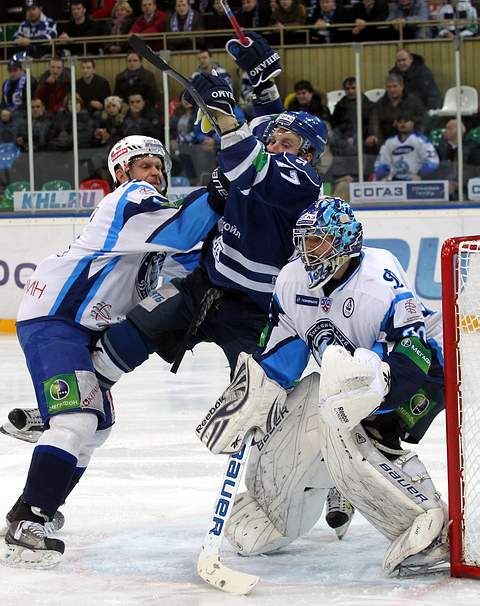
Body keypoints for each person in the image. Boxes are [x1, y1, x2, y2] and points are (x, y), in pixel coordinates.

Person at [196, 195, 448, 577]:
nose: (306, 250)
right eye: (303, 240)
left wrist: (380, 384)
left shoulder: (379, 278)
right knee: (307, 407)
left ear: (345, 241)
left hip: (421, 372)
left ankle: (426, 526)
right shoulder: (292, 279)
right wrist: (253, 397)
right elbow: (285, 348)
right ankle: (275, 511)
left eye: (317, 240)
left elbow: (413, 348)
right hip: (346, 381)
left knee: (356, 423)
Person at [2, 135, 223, 568]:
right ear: (121, 173)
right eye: (144, 165)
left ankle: (34, 505)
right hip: (57, 321)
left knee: (97, 430)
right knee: (77, 419)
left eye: (159, 166)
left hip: (82, 331)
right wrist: (222, 189)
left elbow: (196, 258)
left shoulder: (151, 224)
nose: (155, 173)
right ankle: (29, 519)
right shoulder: (128, 200)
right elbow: (183, 231)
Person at [365, 73, 426, 153]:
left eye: (395, 86)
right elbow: (374, 121)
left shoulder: (414, 101)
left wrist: (404, 124)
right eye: (389, 87)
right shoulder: (380, 103)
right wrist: (374, 135)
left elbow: (422, 120)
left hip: (409, 137)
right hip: (386, 139)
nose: (392, 90)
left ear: (402, 86)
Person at [374, 111, 439, 181]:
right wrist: (383, 176)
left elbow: (433, 161)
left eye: (406, 121)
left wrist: (420, 175)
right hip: (394, 182)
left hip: (415, 182)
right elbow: (381, 163)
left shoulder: (421, 141)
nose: (402, 124)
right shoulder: (389, 142)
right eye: (400, 122)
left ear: (413, 123)